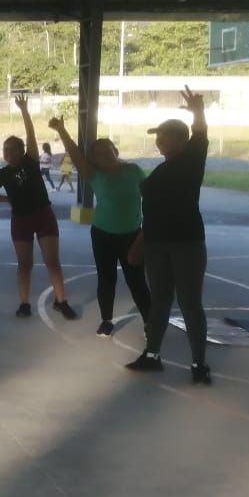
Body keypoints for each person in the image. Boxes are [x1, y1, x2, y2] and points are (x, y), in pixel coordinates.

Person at [125, 88, 212, 384]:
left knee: (190, 304)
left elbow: (200, 134)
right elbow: (152, 214)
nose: (159, 140)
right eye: (157, 136)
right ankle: (152, 356)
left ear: (180, 140)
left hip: (186, 244)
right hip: (157, 245)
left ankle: (199, 364)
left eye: (164, 136)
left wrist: (198, 111)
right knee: (160, 301)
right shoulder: (161, 170)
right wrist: (141, 243)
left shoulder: (191, 161)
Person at [49, 116, 151, 338]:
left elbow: (151, 198)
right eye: (99, 153)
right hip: (103, 235)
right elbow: (75, 152)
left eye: (108, 150)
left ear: (116, 150)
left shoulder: (134, 171)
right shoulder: (93, 174)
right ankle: (106, 321)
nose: (105, 155)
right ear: (94, 159)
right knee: (106, 279)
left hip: (132, 236)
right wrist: (61, 129)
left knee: (136, 281)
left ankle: (149, 322)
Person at [0, 95, 78, 320]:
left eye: (12, 149)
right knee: (24, 264)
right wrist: (7, 200)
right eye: (5, 150)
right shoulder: (2, 173)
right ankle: (24, 303)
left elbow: (30, 135)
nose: (8, 154)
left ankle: (61, 302)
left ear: (21, 150)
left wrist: (24, 111)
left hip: (43, 215)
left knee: (52, 262)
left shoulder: (31, 161)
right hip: (21, 220)